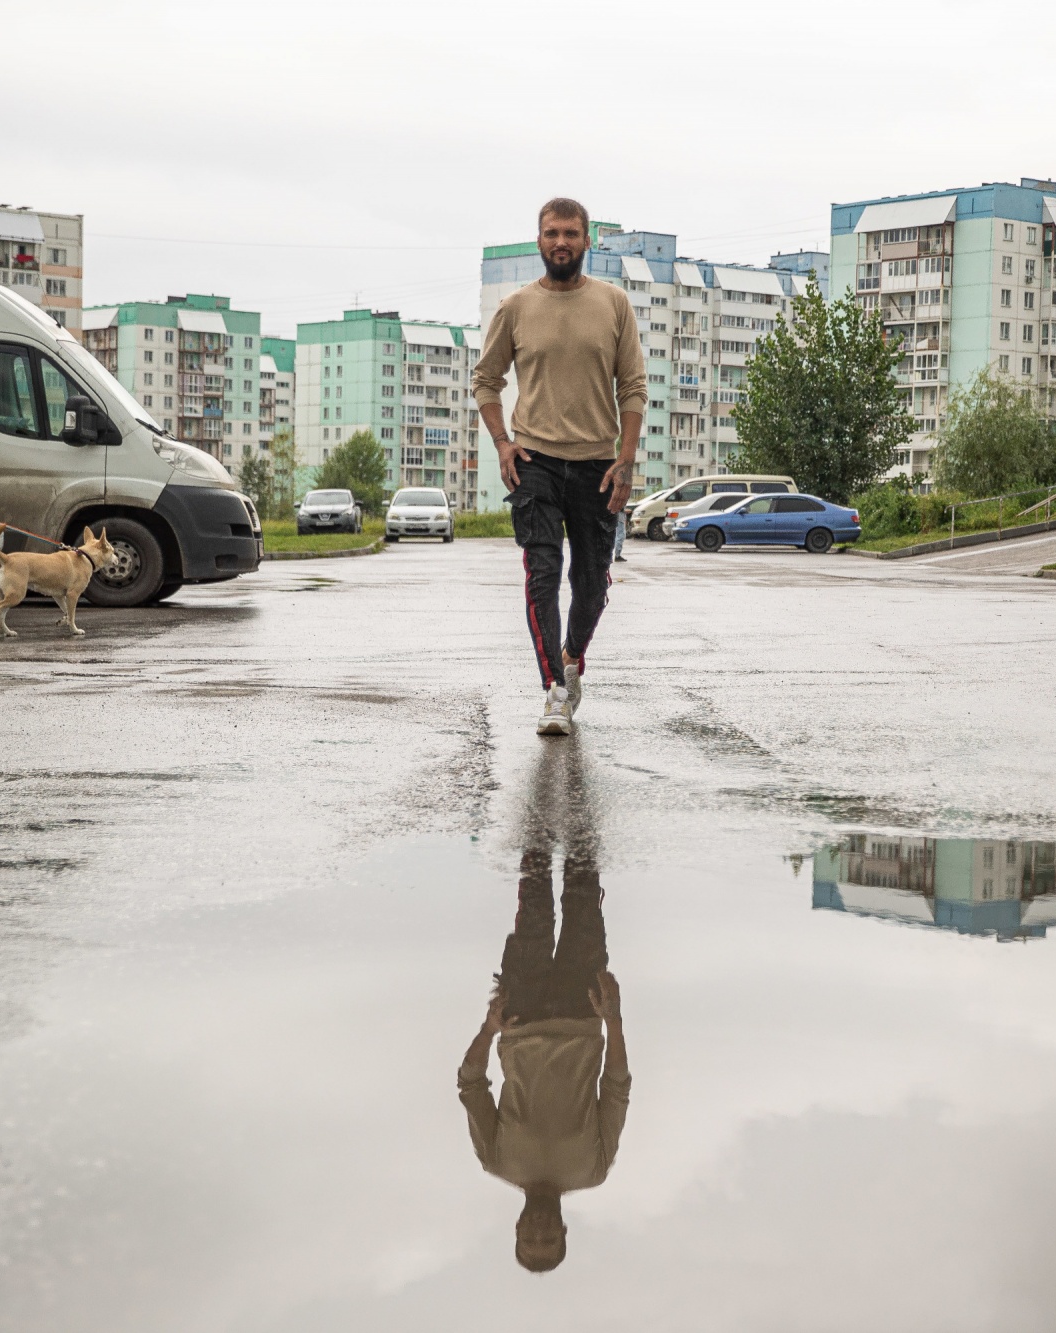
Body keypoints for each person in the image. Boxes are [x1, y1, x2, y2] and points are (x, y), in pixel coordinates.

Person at [472, 197, 646, 736]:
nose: (561, 242)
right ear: (539, 240)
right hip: (537, 462)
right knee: (542, 575)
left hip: (597, 463)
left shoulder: (614, 304)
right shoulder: (516, 307)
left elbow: (633, 387)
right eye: (551, 233)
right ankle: (553, 691)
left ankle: (571, 660)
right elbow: (486, 381)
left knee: (592, 584)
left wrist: (626, 459)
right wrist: (503, 442)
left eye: (571, 233)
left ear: (587, 240)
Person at [457, 743, 629, 1273]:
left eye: (528, 1241)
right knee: (582, 887)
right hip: (584, 1010)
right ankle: (576, 784)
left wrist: (489, 1029)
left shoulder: (496, 1160)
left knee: (533, 895)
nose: (538, 1233)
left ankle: (539, 788)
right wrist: (614, 1019)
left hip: (521, 1012)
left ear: (516, 1231)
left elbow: (470, 1083)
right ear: (562, 1233)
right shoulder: (593, 1170)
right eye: (547, 1242)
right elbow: (616, 1089)